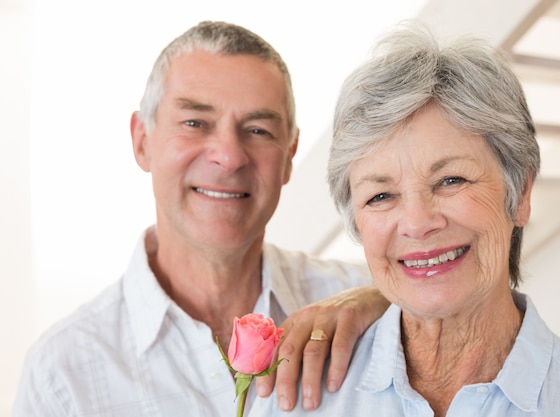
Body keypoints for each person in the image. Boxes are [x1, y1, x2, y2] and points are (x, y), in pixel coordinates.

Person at [13, 21, 390, 416]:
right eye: (195, 123)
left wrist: (383, 299)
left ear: (289, 155)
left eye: (258, 129)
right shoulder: (60, 376)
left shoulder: (374, 311)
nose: (229, 156)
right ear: (142, 141)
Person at [251, 24, 560, 417]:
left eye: (451, 180)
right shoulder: (288, 400)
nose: (418, 222)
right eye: (381, 195)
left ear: (521, 193)